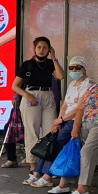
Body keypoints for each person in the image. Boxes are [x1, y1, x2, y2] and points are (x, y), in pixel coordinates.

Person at [50, 54, 98, 194]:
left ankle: (83, 188)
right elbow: (80, 108)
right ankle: (64, 184)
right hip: (86, 123)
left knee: (87, 151)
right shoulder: (95, 88)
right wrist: (75, 127)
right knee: (72, 147)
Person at [24, 55, 92, 187]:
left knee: (57, 143)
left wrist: (61, 119)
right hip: (64, 119)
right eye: (71, 68)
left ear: (84, 69)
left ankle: (47, 175)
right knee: (51, 141)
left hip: (76, 120)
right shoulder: (72, 84)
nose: (74, 71)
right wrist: (58, 121)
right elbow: (66, 104)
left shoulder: (88, 84)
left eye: (77, 68)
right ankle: (37, 173)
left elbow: (79, 108)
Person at [12, 36, 64, 169]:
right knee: (32, 132)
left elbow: (60, 76)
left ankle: (46, 167)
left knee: (50, 132)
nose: (41, 50)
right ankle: (33, 167)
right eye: (39, 47)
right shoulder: (27, 64)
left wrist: (54, 58)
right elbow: (15, 85)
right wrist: (27, 96)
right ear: (34, 49)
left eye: (45, 47)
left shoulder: (51, 63)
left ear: (49, 49)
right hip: (31, 95)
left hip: (47, 95)